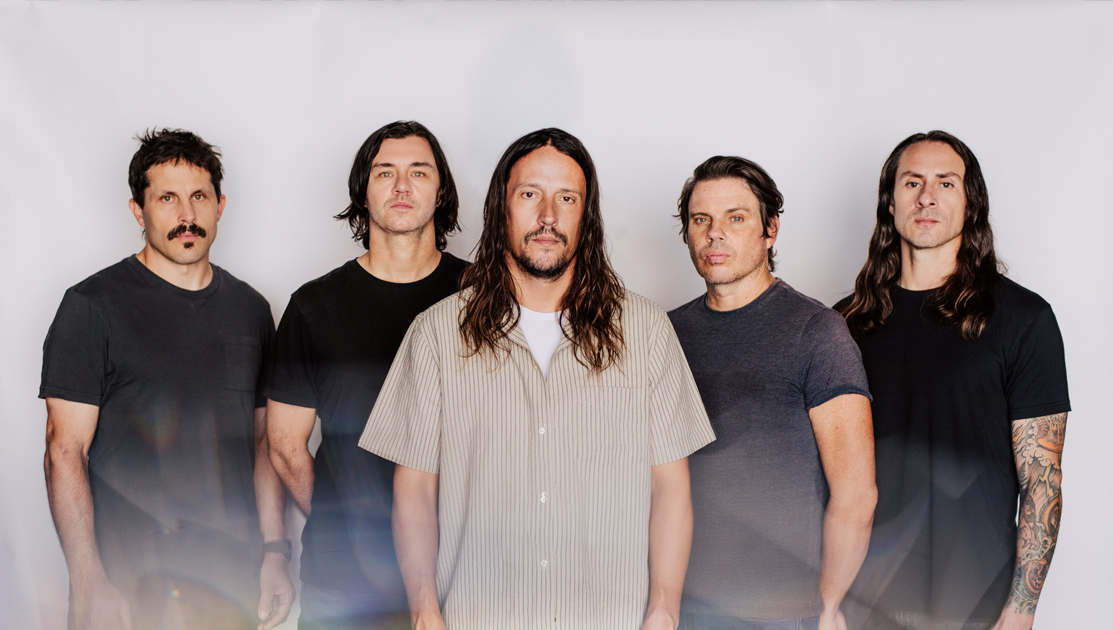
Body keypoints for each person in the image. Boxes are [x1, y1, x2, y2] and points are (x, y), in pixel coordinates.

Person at [359, 127, 716, 630]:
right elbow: (414, 489)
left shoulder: (646, 330)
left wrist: (663, 611)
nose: (548, 216)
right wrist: (423, 612)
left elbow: (670, 487)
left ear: (586, 217)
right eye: (530, 195)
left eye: (566, 198)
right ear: (500, 209)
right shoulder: (436, 334)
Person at [40, 129, 293, 630]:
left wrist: (274, 553)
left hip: (230, 582)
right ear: (139, 211)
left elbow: (264, 443)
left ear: (220, 206)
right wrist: (89, 583)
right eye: (167, 199)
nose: (186, 215)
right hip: (129, 587)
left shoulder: (250, 309)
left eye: (199, 197)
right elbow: (63, 451)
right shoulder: (91, 307)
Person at [836, 131, 1070, 630]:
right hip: (862, 602)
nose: (927, 197)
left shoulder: (1023, 319)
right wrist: (826, 601)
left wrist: (1021, 610)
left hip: (975, 602)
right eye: (912, 182)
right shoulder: (844, 325)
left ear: (970, 203)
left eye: (945, 183)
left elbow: (1041, 480)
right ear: (890, 201)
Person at [266, 121, 467, 630]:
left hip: (462, 576)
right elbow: (285, 446)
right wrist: (344, 518)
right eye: (385, 172)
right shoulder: (313, 306)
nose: (402, 186)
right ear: (363, 191)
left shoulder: (482, 297)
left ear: (441, 191)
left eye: (419, 172)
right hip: (343, 583)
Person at [668, 155, 876, 630]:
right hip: (681, 608)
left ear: (770, 230)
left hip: (781, 613)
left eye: (736, 218)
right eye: (701, 220)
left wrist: (827, 605)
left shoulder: (817, 331)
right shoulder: (666, 333)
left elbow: (856, 495)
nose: (715, 234)